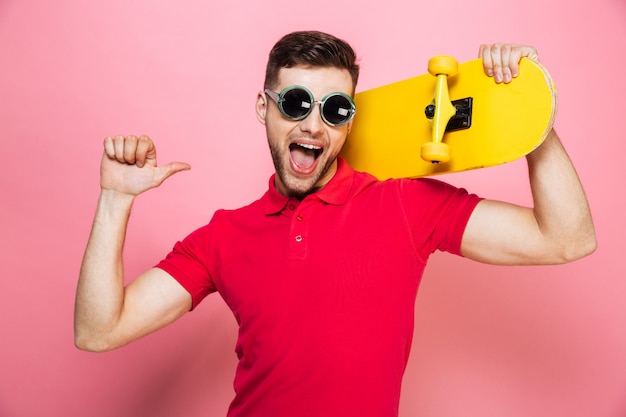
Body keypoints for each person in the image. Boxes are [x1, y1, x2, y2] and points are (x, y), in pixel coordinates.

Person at [74, 31, 596, 417]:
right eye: (297, 103)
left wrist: (532, 118)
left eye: (335, 109)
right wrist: (115, 200)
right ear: (265, 107)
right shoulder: (221, 238)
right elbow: (99, 331)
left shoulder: (405, 203)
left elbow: (566, 239)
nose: (313, 125)